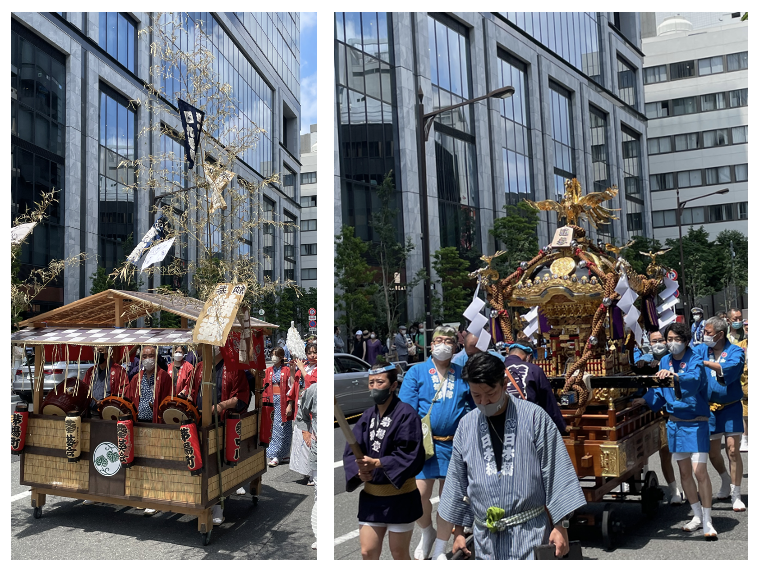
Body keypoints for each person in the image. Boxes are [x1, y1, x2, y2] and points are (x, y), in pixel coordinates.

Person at [435, 352, 586, 559]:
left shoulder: (534, 417)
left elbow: (556, 472)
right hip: (485, 539)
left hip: (529, 533)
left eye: (490, 393)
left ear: (504, 384)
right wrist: (459, 531)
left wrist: (561, 526)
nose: (484, 401)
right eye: (476, 395)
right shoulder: (466, 426)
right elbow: (457, 482)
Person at [633, 322, 716, 538]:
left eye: (676, 339)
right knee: (685, 473)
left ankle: (708, 520)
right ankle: (696, 515)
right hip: (675, 423)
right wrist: (644, 399)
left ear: (686, 341)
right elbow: (661, 392)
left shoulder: (695, 358)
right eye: (668, 339)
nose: (671, 343)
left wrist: (674, 377)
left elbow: (695, 380)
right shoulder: (664, 360)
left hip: (696, 421)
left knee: (700, 472)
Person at [398, 325, 474, 560]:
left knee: (449, 499)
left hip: (454, 444)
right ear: (431, 345)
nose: (442, 344)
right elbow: (406, 408)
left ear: (455, 345)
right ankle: (426, 531)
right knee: (417, 495)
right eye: (438, 340)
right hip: (424, 445)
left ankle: (441, 548)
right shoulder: (417, 372)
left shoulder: (463, 373)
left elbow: (471, 407)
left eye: (448, 341)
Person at [343, 359, 426, 560]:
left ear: (393, 385)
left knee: (399, 553)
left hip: (400, 496)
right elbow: (352, 451)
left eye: (380, 382)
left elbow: (411, 453)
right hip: (372, 498)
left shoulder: (407, 414)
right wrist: (359, 471)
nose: (374, 387)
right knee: (367, 552)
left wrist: (379, 463)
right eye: (371, 383)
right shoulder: (367, 416)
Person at [190, 345, 250, 524]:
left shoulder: (233, 368)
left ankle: (218, 506)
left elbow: (242, 396)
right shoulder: (200, 367)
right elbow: (192, 392)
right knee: (200, 462)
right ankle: (201, 501)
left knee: (216, 465)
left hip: (222, 422)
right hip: (200, 421)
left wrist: (222, 406)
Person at [695, 316, 746, 512]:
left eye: (708, 333)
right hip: (708, 409)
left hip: (731, 407)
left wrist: (707, 364)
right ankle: (725, 478)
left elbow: (729, 369)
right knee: (713, 452)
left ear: (720, 334)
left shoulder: (735, 351)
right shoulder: (701, 350)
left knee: (732, 450)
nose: (704, 336)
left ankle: (736, 493)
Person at [632, 330, 684, 505]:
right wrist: (641, 364)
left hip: (679, 412)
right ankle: (674, 489)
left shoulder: (673, 358)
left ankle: (687, 486)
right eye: (654, 341)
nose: (659, 343)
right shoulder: (646, 358)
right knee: (664, 453)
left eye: (662, 340)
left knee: (683, 455)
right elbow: (651, 384)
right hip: (657, 414)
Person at [122, 345, 173, 516]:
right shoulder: (137, 377)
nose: (148, 359)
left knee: (155, 462)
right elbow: (129, 399)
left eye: (151, 355)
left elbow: (168, 401)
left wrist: (158, 408)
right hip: (139, 424)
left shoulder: (164, 377)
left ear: (156, 357)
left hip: (156, 424)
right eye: (145, 356)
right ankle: (143, 495)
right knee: (141, 462)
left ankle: (155, 498)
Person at [501, 340, 567, 434]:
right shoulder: (534, 370)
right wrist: (560, 427)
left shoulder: (495, 369)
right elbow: (548, 402)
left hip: (501, 425)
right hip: (527, 425)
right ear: (529, 356)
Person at [296, 359, 318, 550]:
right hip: (317, 443)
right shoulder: (314, 390)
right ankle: (320, 535)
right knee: (319, 492)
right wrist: (305, 432)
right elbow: (302, 414)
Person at [263, 348, 297, 467]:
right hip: (272, 402)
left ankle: (278, 455)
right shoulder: (268, 370)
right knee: (273, 429)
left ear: (282, 357)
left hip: (284, 402)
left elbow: (292, 386)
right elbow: (265, 386)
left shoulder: (287, 370)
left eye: (276, 355)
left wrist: (290, 404)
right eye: (272, 355)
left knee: (283, 429)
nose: (273, 357)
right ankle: (281, 454)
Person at [290, 342, 318, 483]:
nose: (312, 355)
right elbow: (294, 384)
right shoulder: (306, 365)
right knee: (301, 439)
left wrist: (301, 369)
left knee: (310, 440)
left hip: (312, 407)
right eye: (309, 353)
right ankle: (305, 472)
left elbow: (313, 384)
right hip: (301, 405)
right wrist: (293, 368)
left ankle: (314, 474)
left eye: (315, 352)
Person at [83, 347, 130, 413]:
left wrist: (106, 402)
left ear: (108, 352)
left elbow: (123, 392)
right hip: (91, 411)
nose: (97, 353)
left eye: (100, 350)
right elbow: (84, 388)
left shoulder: (119, 371)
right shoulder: (91, 371)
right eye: (94, 350)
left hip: (110, 411)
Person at [738, 321, 748, 452]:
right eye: (746, 328)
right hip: (745, 384)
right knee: (746, 414)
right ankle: (745, 438)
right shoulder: (741, 346)